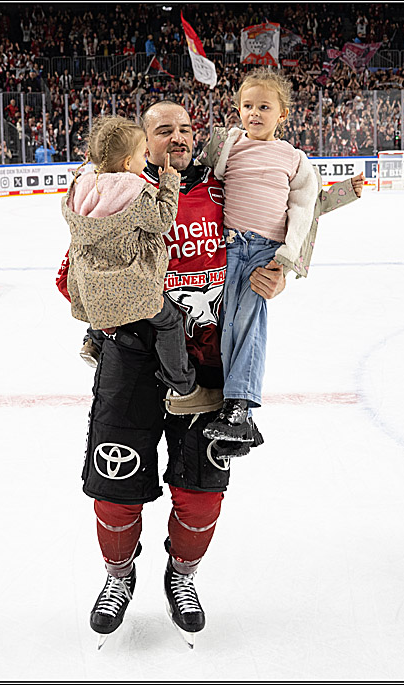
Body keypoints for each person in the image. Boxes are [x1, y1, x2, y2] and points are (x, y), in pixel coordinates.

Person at [54, 100, 286, 648]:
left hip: (205, 363)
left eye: (185, 129)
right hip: (129, 359)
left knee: (201, 489)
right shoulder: (116, 195)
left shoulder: (223, 191)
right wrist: (104, 305)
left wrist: (280, 271)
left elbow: (275, 229)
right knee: (114, 487)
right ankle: (118, 575)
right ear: (141, 144)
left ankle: (182, 576)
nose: (178, 137)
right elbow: (71, 272)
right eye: (163, 131)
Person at [196, 67, 363, 443]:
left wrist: (345, 193)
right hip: (227, 248)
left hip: (264, 253)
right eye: (247, 106)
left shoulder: (293, 158)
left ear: (282, 114)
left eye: (264, 107)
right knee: (225, 325)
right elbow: (202, 182)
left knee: (247, 322)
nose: (254, 113)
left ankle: (240, 405)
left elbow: (307, 206)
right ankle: (233, 409)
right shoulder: (229, 146)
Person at [62, 115, 206, 414]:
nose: (146, 159)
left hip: (90, 283)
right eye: (143, 154)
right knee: (169, 322)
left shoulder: (82, 186)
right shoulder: (133, 190)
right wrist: (168, 183)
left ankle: (94, 339)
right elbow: (162, 220)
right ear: (128, 163)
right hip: (130, 281)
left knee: (101, 293)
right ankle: (182, 386)